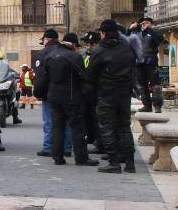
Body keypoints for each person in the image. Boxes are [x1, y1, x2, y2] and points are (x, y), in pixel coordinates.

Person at [36, 33, 98, 167]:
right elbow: (82, 77)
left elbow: (44, 77)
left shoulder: (50, 56)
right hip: (71, 96)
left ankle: (57, 156)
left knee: (57, 126)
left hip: (53, 96)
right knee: (77, 127)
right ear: (74, 45)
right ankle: (81, 158)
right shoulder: (75, 57)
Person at [86, 20, 136, 173]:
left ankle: (114, 162)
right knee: (124, 127)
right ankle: (130, 163)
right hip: (124, 93)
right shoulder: (127, 48)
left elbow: (91, 75)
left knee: (107, 127)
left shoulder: (99, 50)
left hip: (106, 94)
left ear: (103, 33)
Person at [34, 28, 71, 158]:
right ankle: (66, 148)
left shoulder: (41, 54)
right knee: (66, 121)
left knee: (49, 121)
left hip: (49, 93)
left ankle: (49, 147)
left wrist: (38, 93)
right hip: (67, 92)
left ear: (47, 39)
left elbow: (40, 77)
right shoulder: (67, 52)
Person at [134, 17, 165, 113]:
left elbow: (160, 40)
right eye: (143, 23)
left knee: (155, 85)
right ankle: (146, 105)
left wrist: (149, 29)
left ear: (151, 24)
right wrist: (131, 29)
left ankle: (157, 106)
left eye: (147, 23)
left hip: (151, 63)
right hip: (139, 63)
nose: (144, 24)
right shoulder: (137, 33)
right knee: (141, 86)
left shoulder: (155, 32)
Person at [81, 31, 103, 153]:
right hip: (86, 92)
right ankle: (92, 138)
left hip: (96, 92)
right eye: (87, 44)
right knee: (87, 117)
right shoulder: (86, 55)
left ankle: (100, 143)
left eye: (91, 44)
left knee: (96, 118)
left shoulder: (99, 56)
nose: (88, 46)